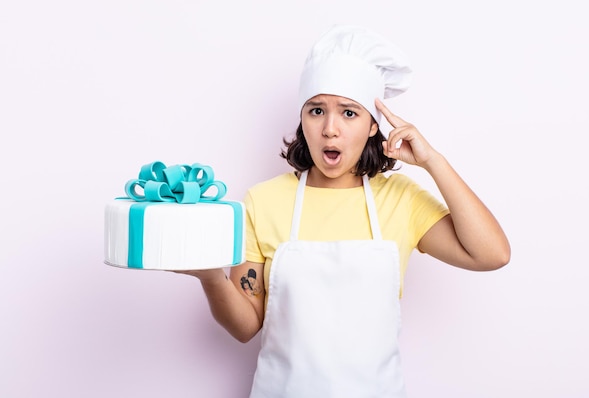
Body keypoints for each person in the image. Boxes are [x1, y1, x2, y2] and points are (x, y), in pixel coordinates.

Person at [181, 25, 510, 397]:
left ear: (373, 125)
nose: (330, 129)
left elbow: (492, 254)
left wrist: (433, 161)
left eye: (349, 113)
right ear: (302, 119)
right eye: (317, 110)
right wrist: (210, 277)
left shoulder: (400, 199)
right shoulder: (263, 201)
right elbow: (244, 327)